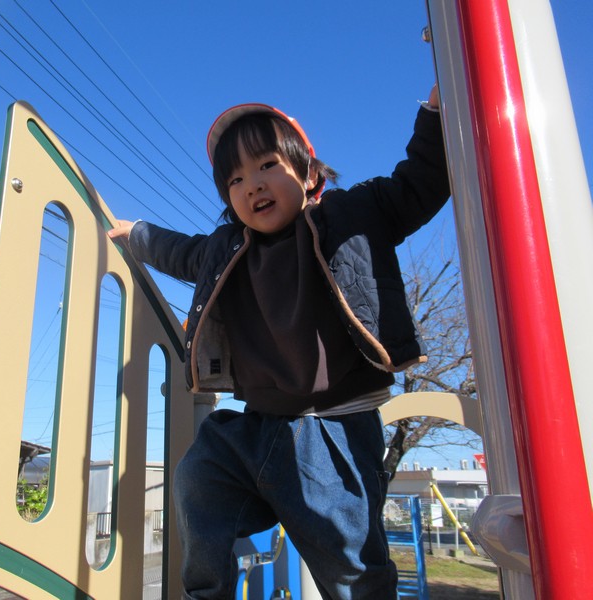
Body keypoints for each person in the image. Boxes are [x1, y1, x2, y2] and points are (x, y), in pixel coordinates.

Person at [108, 84, 450, 599]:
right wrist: (135, 234)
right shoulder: (227, 250)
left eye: (267, 164)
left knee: (350, 565)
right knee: (198, 477)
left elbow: (418, 184)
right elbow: (179, 252)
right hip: (255, 426)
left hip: (334, 429)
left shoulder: (351, 216)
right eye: (236, 179)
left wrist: (436, 116)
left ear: (309, 174)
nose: (253, 185)